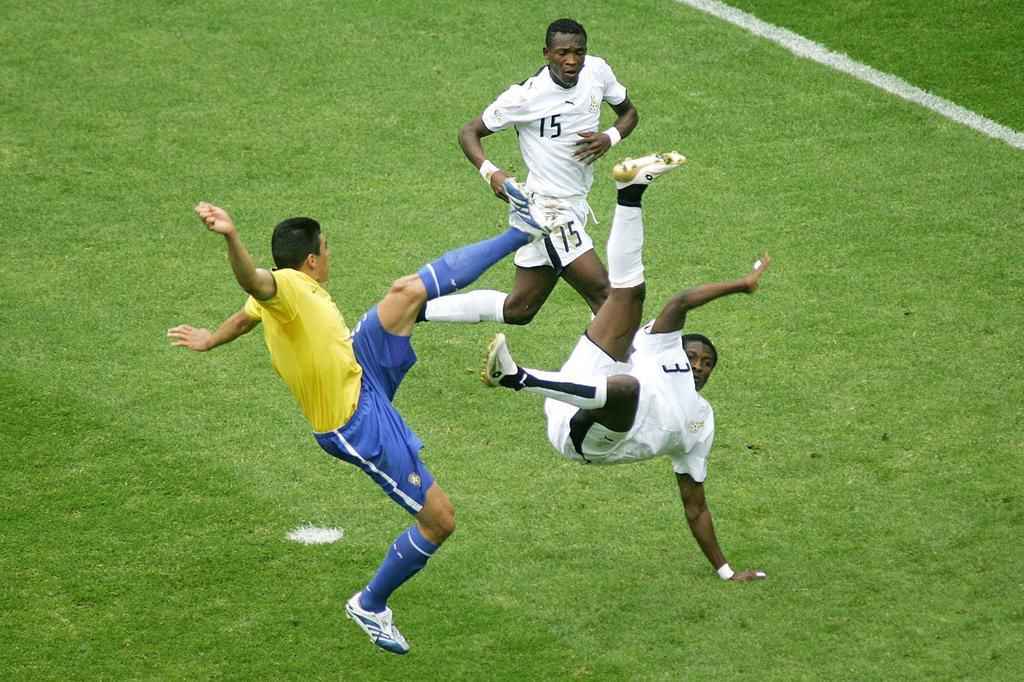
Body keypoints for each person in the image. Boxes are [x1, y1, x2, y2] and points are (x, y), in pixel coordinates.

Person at [167, 180, 552, 654]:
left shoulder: (290, 285)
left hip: (359, 365)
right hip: (353, 422)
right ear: (311, 260)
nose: (330, 254)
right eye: (326, 249)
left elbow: (247, 314)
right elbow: (252, 284)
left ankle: (521, 230)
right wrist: (231, 236)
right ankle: (370, 605)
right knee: (440, 520)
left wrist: (210, 338)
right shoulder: (283, 285)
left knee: (406, 291)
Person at [482, 153, 770, 582]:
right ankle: (630, 191)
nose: (697, 365)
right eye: (693, 356)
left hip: (590, 441)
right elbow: (680, 303)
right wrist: (740, 285)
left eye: (707, 363)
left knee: (627, 387)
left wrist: (726, 571)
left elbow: (696, 504)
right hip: (584, 385)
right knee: (627, 297)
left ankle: (518, 378)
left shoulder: (700, 423)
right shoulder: (660, 348)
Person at [422, 17, 639, 326]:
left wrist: (609, 137)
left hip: (575, 203)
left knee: (519, 309)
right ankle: (618, 371)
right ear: (546, 53)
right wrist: (491, 173)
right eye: (563, 53)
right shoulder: (526, 96)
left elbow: (629, 113)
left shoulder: (598, 71)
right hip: (546, 210)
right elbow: (468, 132)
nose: (572, 61)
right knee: (607, 296)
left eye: (579, 52)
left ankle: (414, 309)